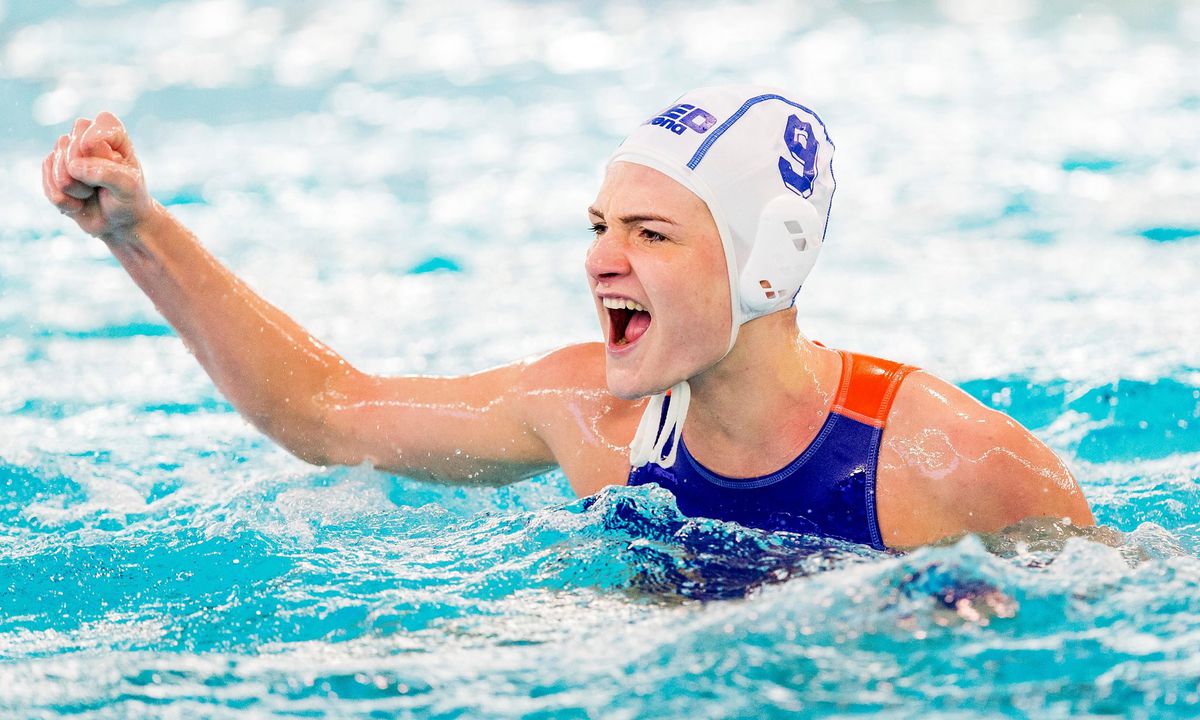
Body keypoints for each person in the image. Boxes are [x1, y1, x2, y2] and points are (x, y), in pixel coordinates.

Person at [41, 85, 1094, 550]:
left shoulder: (951, 465)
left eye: (651, 232)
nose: (599, 259)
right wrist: (137, 232)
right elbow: (325, 411)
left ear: (768, 264)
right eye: (600, 225)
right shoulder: (588, 416)